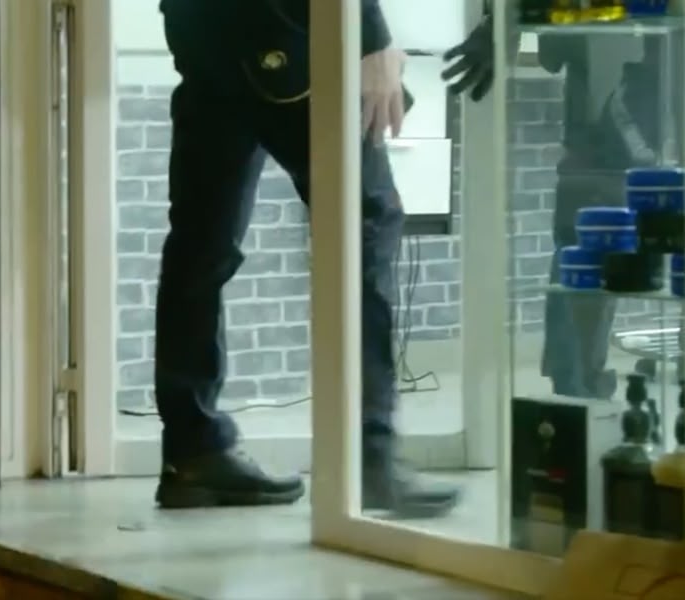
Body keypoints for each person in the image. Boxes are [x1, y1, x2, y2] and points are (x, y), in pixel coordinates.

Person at [151, 0, 462, 517]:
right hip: (281, 25)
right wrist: (371, 37)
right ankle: (370, 456)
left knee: (200, 244)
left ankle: (193, 451)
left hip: (200, 25)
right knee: (366, 221)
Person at [444, 9, 675, 399]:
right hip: (616, 88)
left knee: (592, 235)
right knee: (595, 234)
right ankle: (576, 377)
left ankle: (576, 375)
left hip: (623, 81)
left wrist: (503, 17)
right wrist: (503, 17)